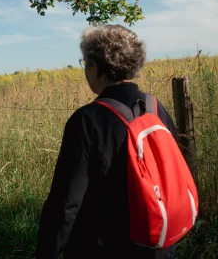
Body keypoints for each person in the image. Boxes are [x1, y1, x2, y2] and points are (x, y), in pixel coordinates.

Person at [35, 24, 179, 259]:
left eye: (85, 64)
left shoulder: (86, 120)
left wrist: (45, 253)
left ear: (98, 68)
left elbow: (66, 203)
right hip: (157, 246)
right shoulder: (156, 109)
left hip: (103, 248)